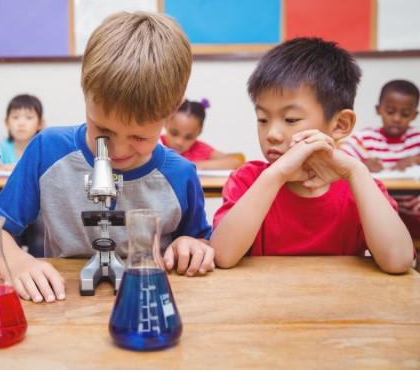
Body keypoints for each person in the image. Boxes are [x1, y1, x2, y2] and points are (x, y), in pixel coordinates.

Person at [0, 12, 214, 303]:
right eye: (103, 131)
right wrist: (18, 262)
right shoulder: (46, 151)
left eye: (138, 137)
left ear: (173, 109)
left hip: (144, 306)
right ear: (85, 87)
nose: (117, 152)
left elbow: (200, 241)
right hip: (57, 309)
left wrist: (191, 245)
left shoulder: (180, 175)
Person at [211, 37, 414, 274]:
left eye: (291, 120)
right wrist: (275, 176)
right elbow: (223, 255)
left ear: (340, 125)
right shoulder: (249, 180)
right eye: (263, 120)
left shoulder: (360, 187)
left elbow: (398, 261)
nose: (272, 134)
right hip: (265, 306)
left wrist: (356, 171)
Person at [341, 79, 420, 238]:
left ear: (414, 115)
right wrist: (363, 165)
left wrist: (416, 160)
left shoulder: (416, 139)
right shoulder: (365, 139)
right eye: (390, 111)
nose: (397, 118)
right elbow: (341, 158)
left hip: (413, 210)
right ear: (379, 109)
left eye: (405, 114)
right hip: (378, 207)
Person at [161, 98, 243, 169]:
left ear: (199, 132)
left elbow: (235, 162)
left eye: (188, 137)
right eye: (174, 133)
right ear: (165, 123)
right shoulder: (156, 144)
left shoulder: (199, 148)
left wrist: (197, 165)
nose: (179, 142)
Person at [0, 94, 44, 171]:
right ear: (7, 123)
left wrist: (16, 169)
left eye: (29, 117)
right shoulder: (0, 147)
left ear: (40, 123)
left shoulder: (42, 149)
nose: (21, 123)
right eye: (15, 117)